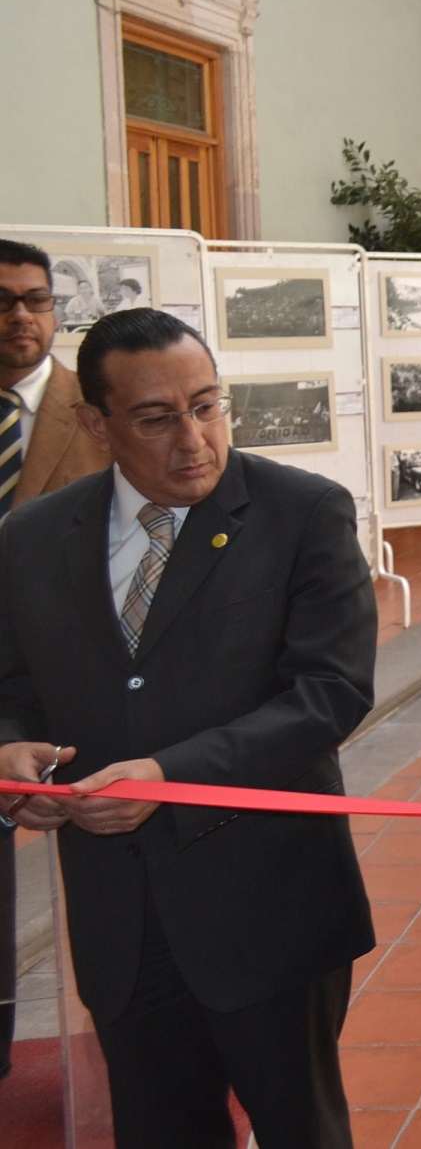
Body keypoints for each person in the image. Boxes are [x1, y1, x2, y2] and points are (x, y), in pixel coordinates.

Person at [0, 308, 376, 1148]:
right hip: (120, 918)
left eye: (207, 406)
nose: (194, 439)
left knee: (301, 1128)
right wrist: (12, 748)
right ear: (93, 423)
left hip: (269, 907)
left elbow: (330, 693)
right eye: (156, 418)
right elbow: (12, 686)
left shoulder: (301, 512)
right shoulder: (32, 537)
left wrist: (170, 774)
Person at [0, 238, 111, 1080]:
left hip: (66, 678)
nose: (21, 316)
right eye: (3, 301)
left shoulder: (98, 410)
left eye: (36, 299)